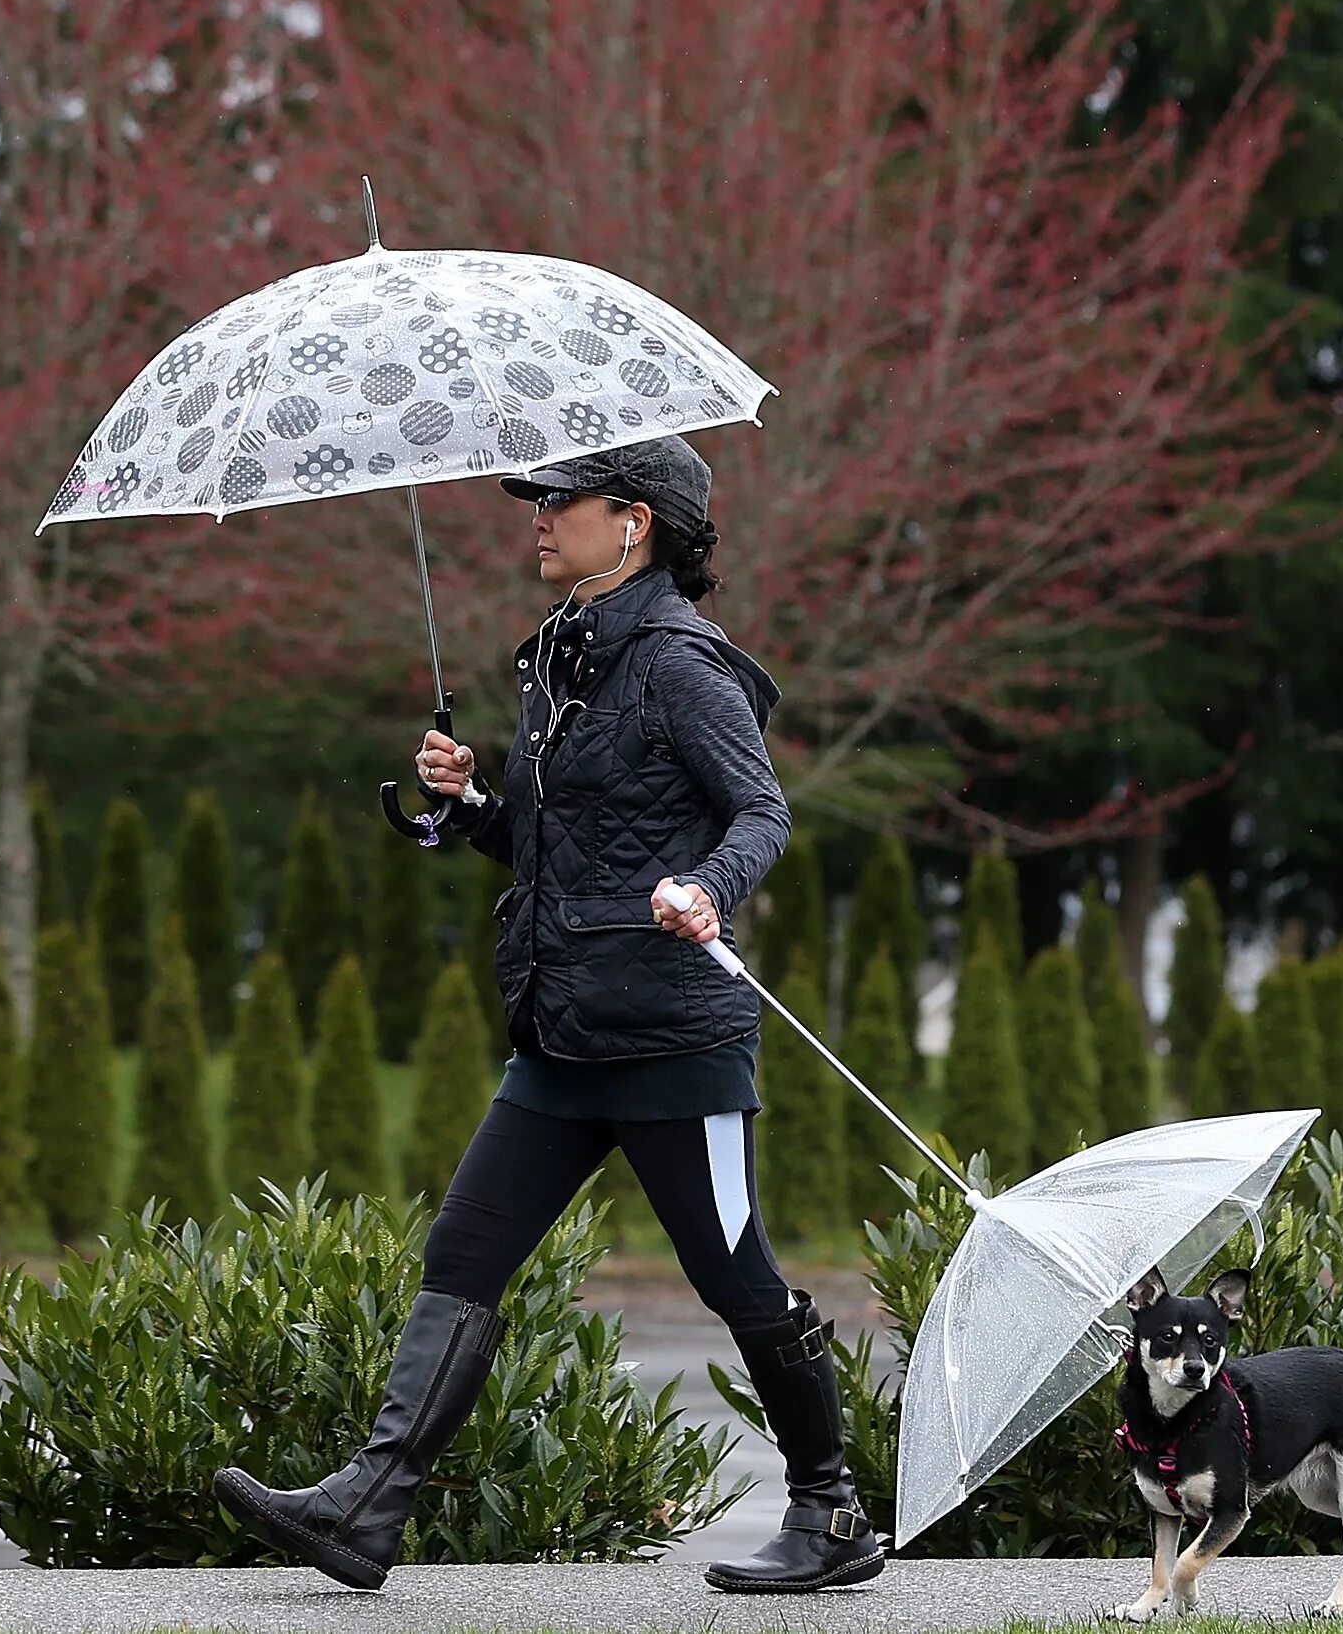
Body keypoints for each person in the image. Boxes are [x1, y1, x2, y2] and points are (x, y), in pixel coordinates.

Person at [215, 435, 883, 1596]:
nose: (535, 517)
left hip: (676, 1039)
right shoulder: (558, 662)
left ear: (634, 521)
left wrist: (706, 886)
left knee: (737, 1276)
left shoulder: (681, 658)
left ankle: (831, 1511)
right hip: (562, 1030)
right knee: (465, 1251)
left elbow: (760, 811)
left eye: (557, 501)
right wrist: (465, 803)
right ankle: (370, 1504)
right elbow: (546, 842)